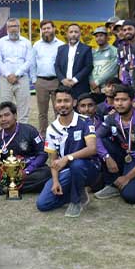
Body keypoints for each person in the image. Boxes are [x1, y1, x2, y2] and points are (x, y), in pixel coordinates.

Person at [37, 86, 98, 218]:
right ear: (55, 103)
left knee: (77, 164)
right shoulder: (51, 128)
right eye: (59, 101)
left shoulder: (85, 121)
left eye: (66, 101)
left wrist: (67, 158)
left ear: (74, 103)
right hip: (67, 171)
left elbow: (92, 148)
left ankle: (76, 201)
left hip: (88, 169)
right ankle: (77, 192)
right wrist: (55, 181)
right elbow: (53, 160)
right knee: (43, 204)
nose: (62, 105)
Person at [93, 85, 135, 203]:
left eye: (124, 100)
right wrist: (106, 157)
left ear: (132, 101)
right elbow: (97, 136)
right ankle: (112, 184)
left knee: (130, 196)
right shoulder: (112, 118)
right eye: (117, 100)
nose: (120, 104)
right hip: (124, 155)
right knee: (103, 143)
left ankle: (133, 179)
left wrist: (128, 177)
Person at [0, 102, 50, 195]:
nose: (3, 119)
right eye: (0, 116)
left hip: (30, 169)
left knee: (46, 173)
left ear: (15, 115)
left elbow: (43, 154)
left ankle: (4, 189)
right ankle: (22, 187)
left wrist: (27, 171)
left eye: (7, 115)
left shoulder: (30, 131)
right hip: (9, 171)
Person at [0, 18, 33, 123]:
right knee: (4, 108)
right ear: (7, 28)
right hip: (5, 80)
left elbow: (29, 61)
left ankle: (22, 134)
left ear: (19, 27)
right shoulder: (1, 42)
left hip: (22, 79)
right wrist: (8, 75)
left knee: (23, 109)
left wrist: (16, 74)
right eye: (10, 27)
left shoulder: (26, 42)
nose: (13, 29)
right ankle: (7, 132)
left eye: (15, 26)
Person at [33, 20, 64, 138]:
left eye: (48, 28)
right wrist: (34, 80)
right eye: (44, 29)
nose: (46, 31)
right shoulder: (37, 45)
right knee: (42, 112)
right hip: (41, 81)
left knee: (59, 109)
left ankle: (59, 132)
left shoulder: (61, 45)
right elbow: (32, 63)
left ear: (54, 29)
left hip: (57, 81)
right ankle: (43, 135)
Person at [54, 23, 93, 99]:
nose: (73, 34)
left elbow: (88, 66)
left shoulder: (86, 49)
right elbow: (56, 66)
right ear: (67, 34)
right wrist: (63, 80)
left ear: (80, 34)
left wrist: (74, 80)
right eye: (71, 32)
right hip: (63, 86)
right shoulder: (61, 49)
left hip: (80, 86)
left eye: (76, 32)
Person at [90, 26, 119, 93]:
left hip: (108, 88)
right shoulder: (94, 52)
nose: (98, 38)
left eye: (101, 35)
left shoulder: (114, 51)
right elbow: (90, 69)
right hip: (94, 88)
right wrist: (92, 83)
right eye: (96, 36)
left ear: (107, 37)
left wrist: (96, 83)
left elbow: (111, 71)